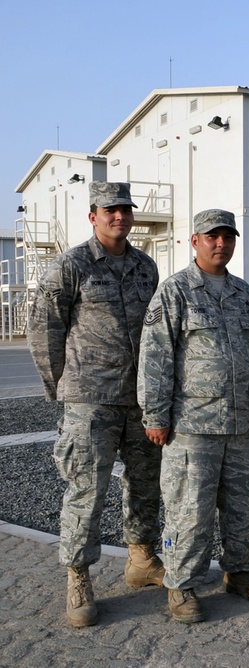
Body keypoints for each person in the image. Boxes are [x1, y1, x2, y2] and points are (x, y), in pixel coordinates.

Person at [27, 181, 163, 628]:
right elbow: (45, 330)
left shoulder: (146, 267)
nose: (119, 216)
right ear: (93, 215)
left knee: (146, 485)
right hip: (90, 398)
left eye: (125, 209)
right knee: (87, 491)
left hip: (139, 398)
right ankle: (79, 578)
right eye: (110, 210)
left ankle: (142, 561)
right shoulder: (71, 266)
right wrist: (59, 388)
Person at [138, 208, 249, 624]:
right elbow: (155, 356)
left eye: (227, 236)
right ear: (194, 241)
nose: (221, 243)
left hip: (241, 423)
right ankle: (181, 586)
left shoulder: (242, 293)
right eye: (212, 236)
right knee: (190, 509)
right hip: (191, 425)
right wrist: (155, 415)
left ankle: (239, 572)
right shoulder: (175, 291)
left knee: (243, 504)